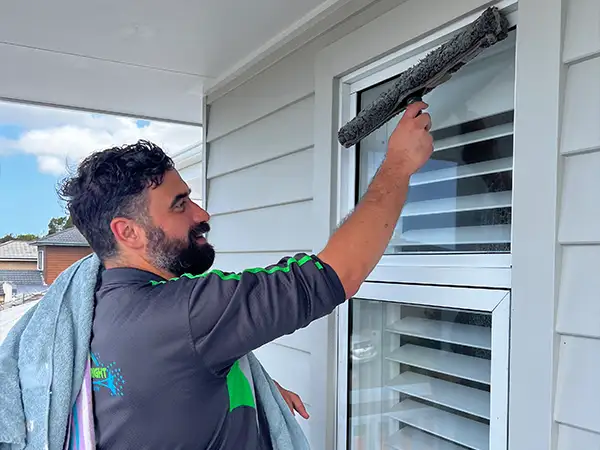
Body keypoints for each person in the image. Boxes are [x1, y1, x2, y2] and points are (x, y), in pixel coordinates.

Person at [57, 101, 433, 449]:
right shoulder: (184, 314)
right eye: (180, 205)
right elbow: (337, 273)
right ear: (128, 232)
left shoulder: (96, 307)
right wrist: (398, 165)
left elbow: (164, 386)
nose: (202, 214)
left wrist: (252, 388)